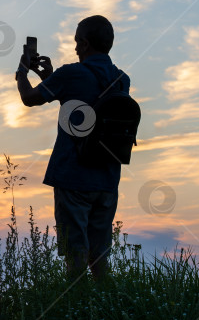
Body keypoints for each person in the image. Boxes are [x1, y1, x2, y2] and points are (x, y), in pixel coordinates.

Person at [14, 15, 130, 284]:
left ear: (86, 43)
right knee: (100, 257)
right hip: (107, 180)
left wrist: (21, 71)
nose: (76, 48)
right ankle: (107, 311)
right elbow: (84, 104)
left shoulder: (71, 74)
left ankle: (75, 312)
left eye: (77, 42)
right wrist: (52, 79)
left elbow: (29, 99)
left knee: (75, 257)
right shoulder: (122, 80)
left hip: (73, 177)